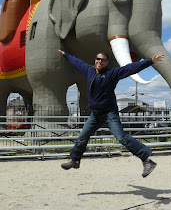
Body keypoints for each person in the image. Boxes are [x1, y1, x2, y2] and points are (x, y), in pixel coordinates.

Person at [58, 50, 164, 178]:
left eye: (103, 60)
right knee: (82, 137)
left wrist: (150, 61)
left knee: (122, 138)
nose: (100, 61)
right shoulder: (89, 71)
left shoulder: (111, 73)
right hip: (95, 114)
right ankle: (74, 160)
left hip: (109, 113)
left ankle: (147, 160)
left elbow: (130, 68)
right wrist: (66, 55)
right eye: (98, 59)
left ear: (107, 63)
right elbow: (77, 63)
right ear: (95, 60)